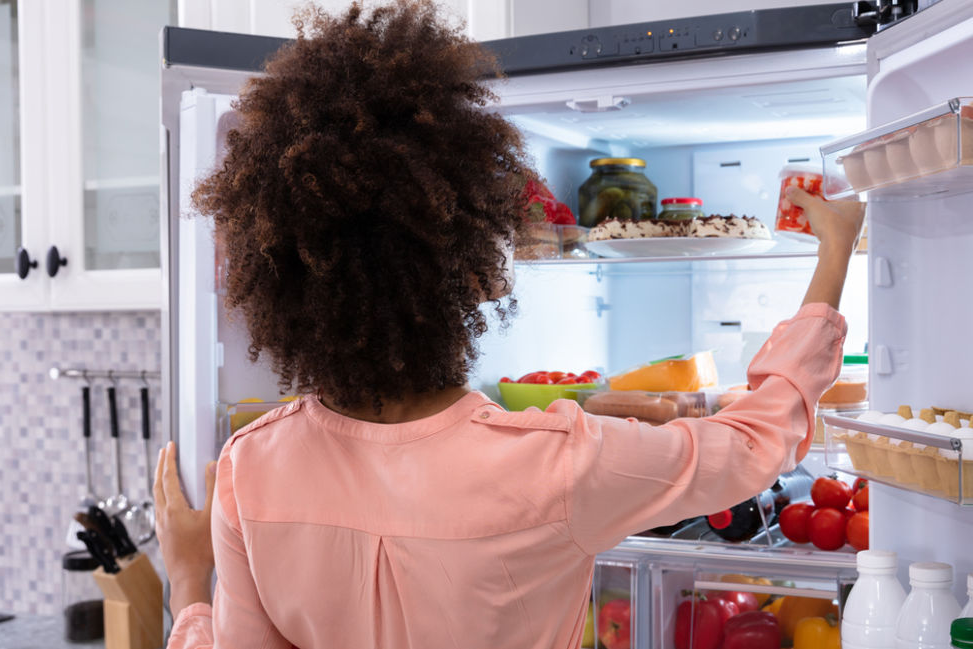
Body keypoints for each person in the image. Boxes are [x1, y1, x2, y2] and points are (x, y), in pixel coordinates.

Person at [154, 2, 865, 648]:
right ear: (473, 273)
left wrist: (188, 580)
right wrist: (833, 252)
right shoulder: (556, 464)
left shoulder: (252, 466)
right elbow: (753, 444)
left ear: (277, 277)